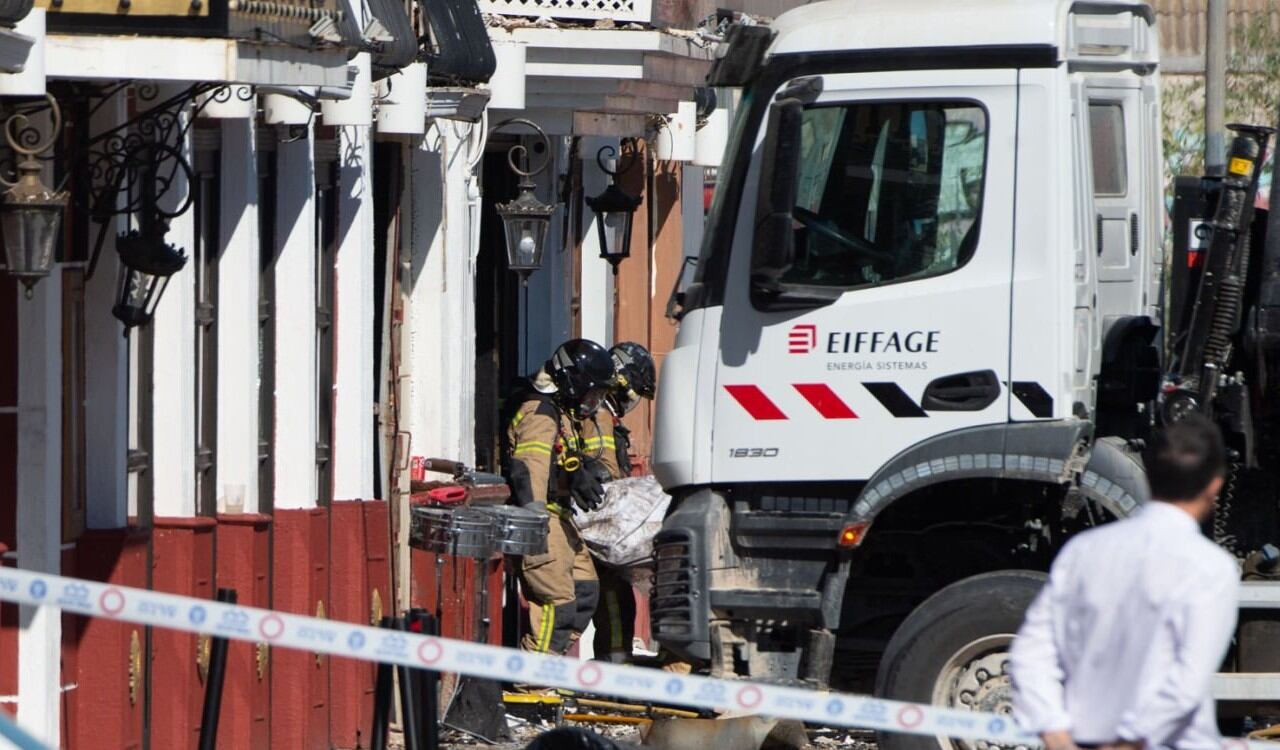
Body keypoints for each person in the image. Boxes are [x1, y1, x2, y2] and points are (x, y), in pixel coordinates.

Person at [1010, 414, 1240, 750]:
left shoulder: (1083, 551)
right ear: (1215, 484)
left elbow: (1031, 654)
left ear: (1150, 474)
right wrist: (1127, 741)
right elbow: (1186, 682)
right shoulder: (1209, 568)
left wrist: (1054, 730)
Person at [505, 339, 615, 657]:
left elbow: (560, 457)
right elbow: (530, 467)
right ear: (572, 381)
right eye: (592, 392)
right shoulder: (539, 411)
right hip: (542, 520)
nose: (593, 401)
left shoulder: (559, 410)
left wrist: (582, 467)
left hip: (562, 519)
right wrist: (535, 521)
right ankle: (532, 684)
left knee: (585, 591)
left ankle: (547, 662)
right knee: (559, 604)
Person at [590, 342, 657, 663]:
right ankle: (613, 667)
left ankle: (615, 663)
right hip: (601, 523)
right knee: (613, 600)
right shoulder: (601, 415)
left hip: (607, 523)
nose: (633, 401)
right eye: (635, 393)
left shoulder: (606, 416)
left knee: (617, 600)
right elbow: (606, 471)